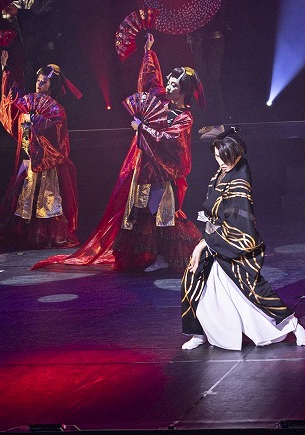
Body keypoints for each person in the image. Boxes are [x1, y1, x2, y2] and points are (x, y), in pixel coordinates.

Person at [35, 33, 202, 272]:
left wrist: (142, 128)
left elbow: (171, 141)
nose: (168, 87)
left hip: (162, 174)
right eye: (170, 83)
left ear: (184, 91)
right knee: (141, 211)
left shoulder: (185, 118)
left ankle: (168, 255)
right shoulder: (161, 101)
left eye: (174, 85)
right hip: (143, 167)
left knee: (163, 214)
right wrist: (148, 53)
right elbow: (150, 81)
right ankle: (151, 256)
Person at [181, 130, 305, 350]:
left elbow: (238, 225)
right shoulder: (224, 170)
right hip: (216, 237)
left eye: (225, 159)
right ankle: (199, 332)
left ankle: (294, 325)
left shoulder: (240, 179)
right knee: (194, 279)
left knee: (253, 290)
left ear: (236, 155)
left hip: (234, 241)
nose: (221, 163)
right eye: (217, 158)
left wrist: (203, 244)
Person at [0, 51, 79, 248]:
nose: (39, 84)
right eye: (39, 80)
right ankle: (25, 232)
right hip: (27, 156)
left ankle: (45, 235)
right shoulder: (28, 101)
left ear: (52, 86)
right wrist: (5, 71)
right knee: (24, 193)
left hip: (46, 162)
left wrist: (37, 122)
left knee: (45, 197)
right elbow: (10, 103)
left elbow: (59, 138)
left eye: (44, 82)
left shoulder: (57, 110)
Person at [187, 0, 229, 141]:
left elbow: (210, 15)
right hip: (202, 39)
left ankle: (219, 125)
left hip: (212, 39)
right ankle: (211, 122)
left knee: (212, 80)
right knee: (203, 81)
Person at [2, 0, 60, 81]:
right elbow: (16, 11)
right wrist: (8, 8)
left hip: (47, 54)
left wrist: (18, 12)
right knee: (30, 89)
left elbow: (39, 19)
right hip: (30, 55)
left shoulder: (52, 1)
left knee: (47, 89)